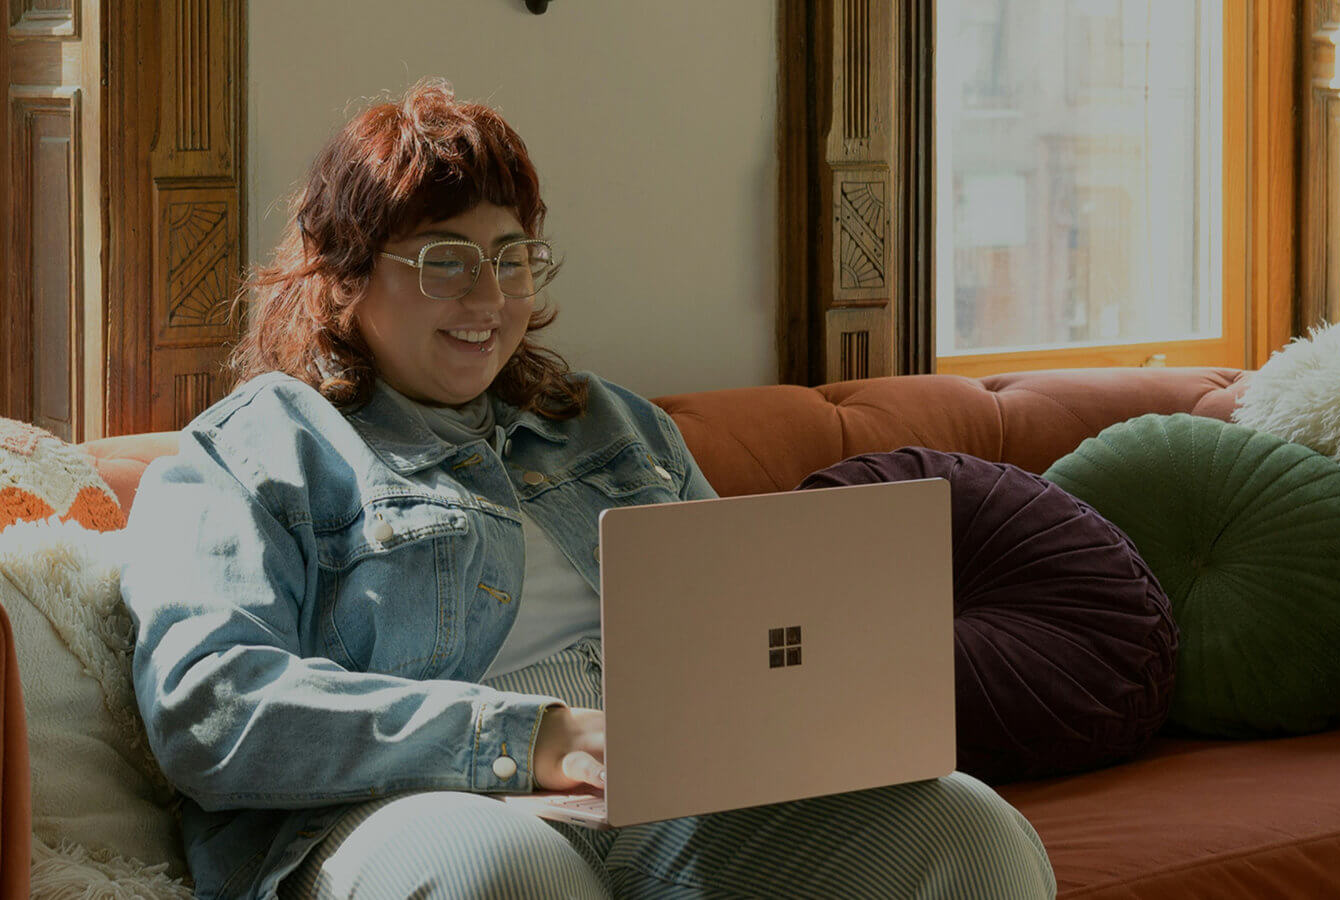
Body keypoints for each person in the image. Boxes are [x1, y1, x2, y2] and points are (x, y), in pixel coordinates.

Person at [120, 79, 1057, 900]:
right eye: (445, 259)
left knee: (965, 828)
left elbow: (735, 631)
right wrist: (526, 737)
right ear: (346, 277)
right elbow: (212, 708)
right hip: (402, 806)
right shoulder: (257, 453)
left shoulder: (613, 425)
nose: (488, 297)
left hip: (655, 799)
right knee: (512, 875)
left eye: (512, 255)